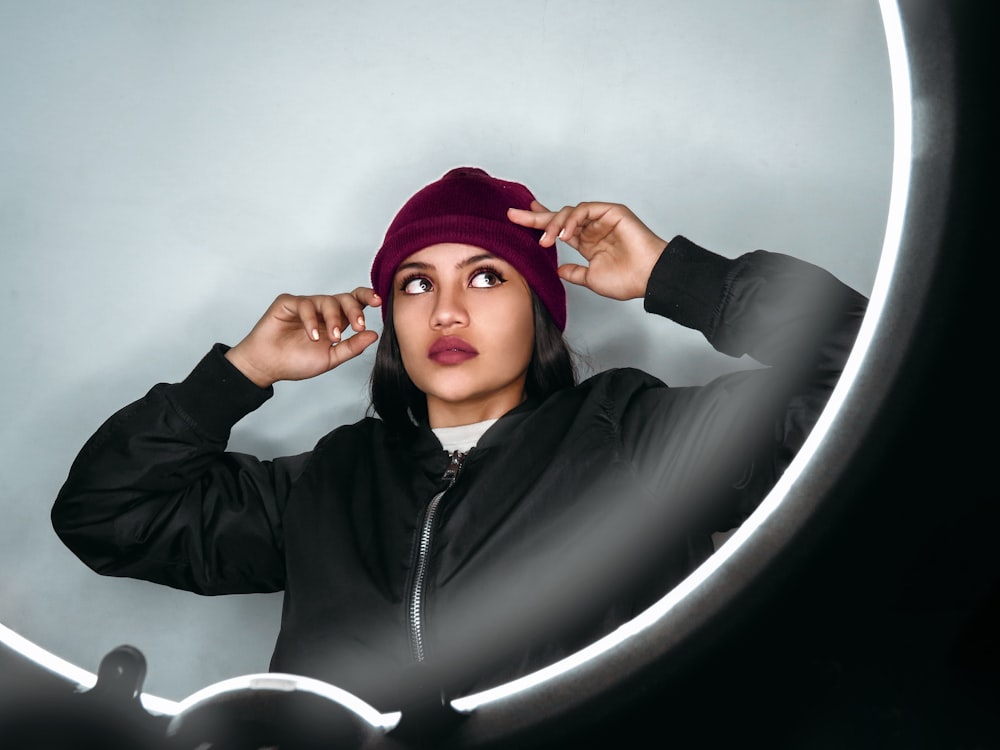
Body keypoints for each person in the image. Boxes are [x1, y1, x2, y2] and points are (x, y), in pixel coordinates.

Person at [51, 166, 868, 713]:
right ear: (393, 319)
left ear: (540, 310)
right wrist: (240, 372)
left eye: (485, 277)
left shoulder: (634, 435)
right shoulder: (328, 481)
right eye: (417, 284)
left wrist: (680, 277)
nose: (447, 311)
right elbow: (106, 514)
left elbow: (868, 384)